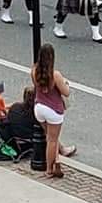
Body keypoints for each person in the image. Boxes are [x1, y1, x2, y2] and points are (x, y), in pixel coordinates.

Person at [32, 43, 72, 179]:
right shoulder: (55, 75)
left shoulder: (34, 71)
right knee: (52, 140)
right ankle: (49, 169)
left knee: (50, 136)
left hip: (39, 107)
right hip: (53, 110)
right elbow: (66, 93)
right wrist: (66, 84)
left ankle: (57, 161)